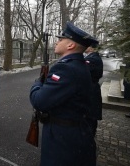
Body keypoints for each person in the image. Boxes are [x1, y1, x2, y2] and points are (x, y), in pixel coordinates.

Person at [29, 22, 98, 166]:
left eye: (61, 39)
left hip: (63, 138)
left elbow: (40, 101)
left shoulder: (65, 69)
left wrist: (37, 84)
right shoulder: (78, 64)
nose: (56, 42)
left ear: (70, 45)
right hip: (75, 132)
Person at [84, 44, 103, 136]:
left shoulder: (92, 59)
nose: (85, 47)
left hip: (91, 88)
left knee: (90, 114)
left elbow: (84, 71)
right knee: (90, 113)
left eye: (87, 46)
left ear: (92, 48)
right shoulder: (91, 57)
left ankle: (90, 135)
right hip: (91, 87)